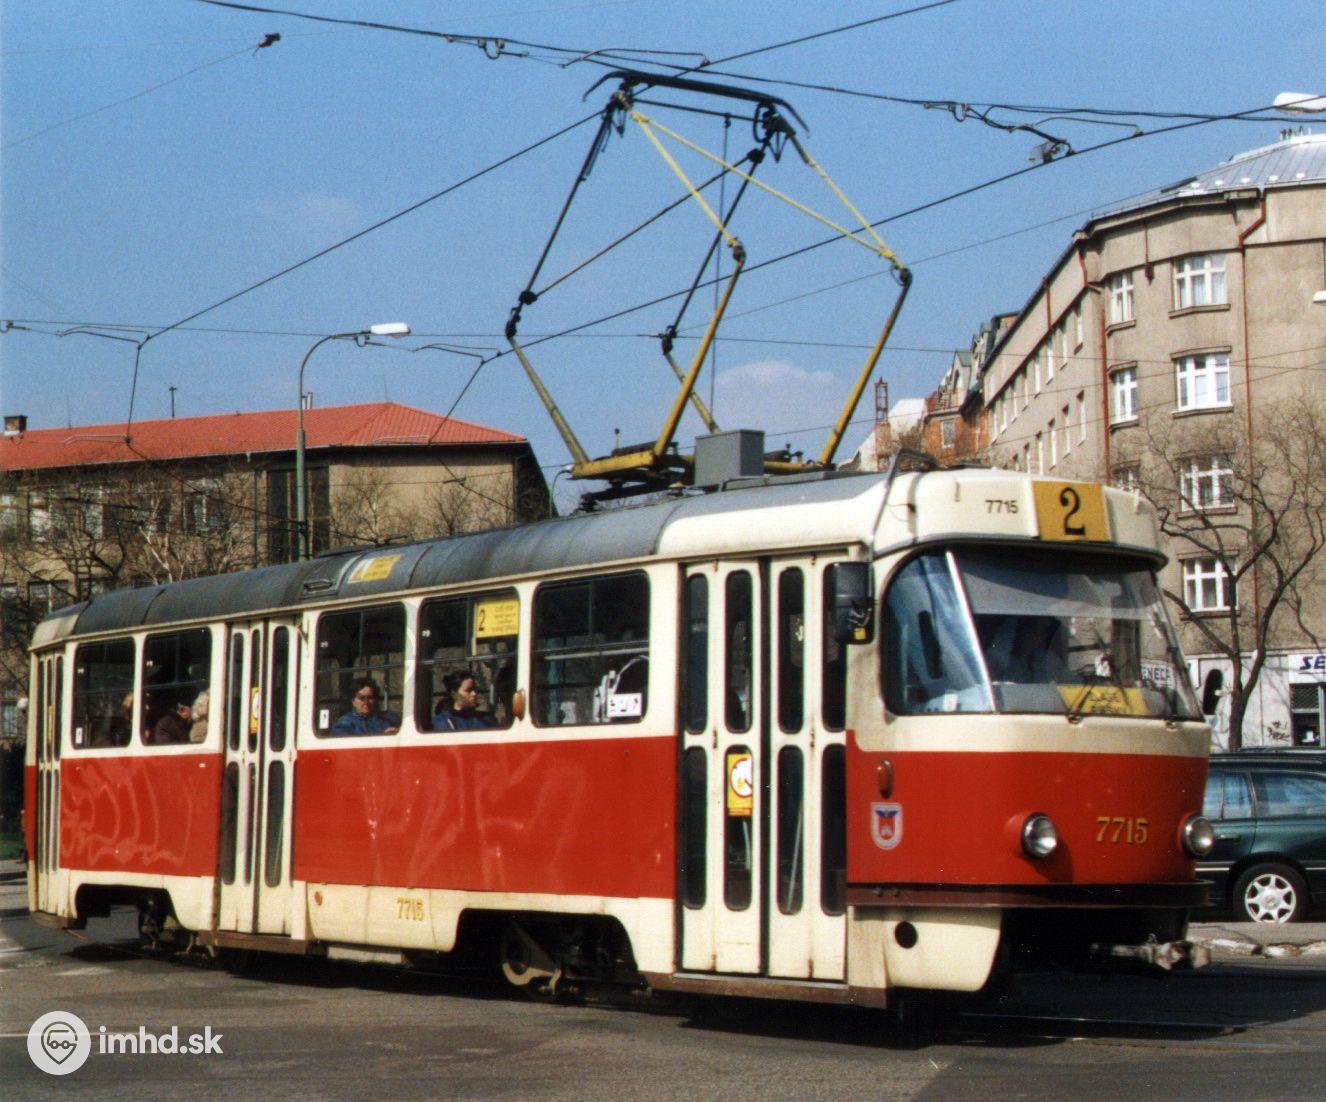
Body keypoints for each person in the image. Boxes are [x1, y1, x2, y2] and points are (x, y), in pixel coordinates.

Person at [332, 677, 400, 734]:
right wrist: (383, 737)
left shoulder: (390, 717)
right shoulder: (344, 723)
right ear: (353, 701)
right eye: (361, 698)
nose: (366, 702)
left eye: (370, 698)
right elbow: (346, 744)